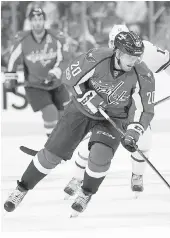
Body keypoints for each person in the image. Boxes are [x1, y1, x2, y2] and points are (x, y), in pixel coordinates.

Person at [4, 31, 155, 216]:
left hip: (115, 118)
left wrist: (134, 132)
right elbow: (69, 78)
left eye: (137, 56)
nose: (133, 61)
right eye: (129, 55)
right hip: (81, 111)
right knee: (51, 156)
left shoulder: (143, 74)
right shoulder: (96, 58)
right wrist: (85, 96)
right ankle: (21, 189)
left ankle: (85, 193)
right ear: (117, 52)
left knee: (100, 156)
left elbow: (144, 109)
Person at [63, 24, 170, 199]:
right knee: (93, 146)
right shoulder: (103, 56)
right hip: (107, 108)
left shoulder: (146, 50)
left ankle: (137, 174)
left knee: (144, 140)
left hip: (136, 109)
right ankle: (77, 177)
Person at [4, 8, 70, 136]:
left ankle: (63, 142)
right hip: (35, 85)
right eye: (34, 20)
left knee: (65, 114)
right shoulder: (22, 39)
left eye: (40, 19)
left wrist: (55, 72)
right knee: (50, 111)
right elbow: (12, 60)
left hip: (56, 83)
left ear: (44, 20)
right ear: (30, 22)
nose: (37, 23)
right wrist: (10, 78)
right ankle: (52, 143)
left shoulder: (56, 37)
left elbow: (65, 59)